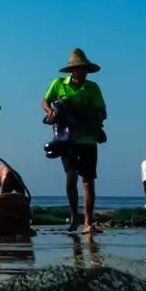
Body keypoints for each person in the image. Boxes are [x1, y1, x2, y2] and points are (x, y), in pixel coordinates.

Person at [41, 48, 106, 236]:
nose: (82, 72)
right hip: (66, 139)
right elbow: (45, 100)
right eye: (79, 69)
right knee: (71, 177)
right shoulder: (59, 84)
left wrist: (90, 116)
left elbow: (102, 110)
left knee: (88, 180)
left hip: (87, 139)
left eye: (84, 69)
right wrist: (49, 111)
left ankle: (88, 221)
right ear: (72, 70)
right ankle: (73, 217)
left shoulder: (93, 88)